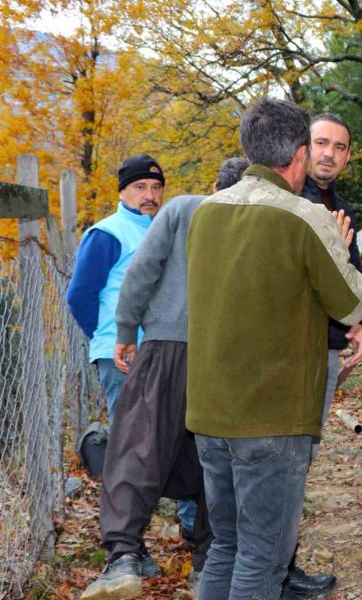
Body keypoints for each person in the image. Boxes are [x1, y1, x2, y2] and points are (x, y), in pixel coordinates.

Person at [187, 97, 362, 599]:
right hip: (270, 415)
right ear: (298, 156)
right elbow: (352, 302)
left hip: (208, 411)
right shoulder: (305, 215)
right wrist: (338, 241)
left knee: (225, 544)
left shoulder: (206, 212)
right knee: (262, 558)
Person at [79, 157, 248, 600]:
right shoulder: (260, 220)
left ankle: (124, 559)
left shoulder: (182, 209)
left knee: (137, 447)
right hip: (226, 356)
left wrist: (124, 330)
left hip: (167, 345)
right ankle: (209, 566)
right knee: (218, 458)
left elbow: (142, 272)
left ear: (215, 185)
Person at [279, 113, 362, 599]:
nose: (329, 154)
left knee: (302, 456)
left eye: (339, 146)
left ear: (348, 156)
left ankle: (281, 563)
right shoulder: (290, 203)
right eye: (321, 143)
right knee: (287, 456)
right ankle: (274, 569)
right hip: (293, 351)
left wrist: (361, 326)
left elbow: (350, 275)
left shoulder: (344, 207)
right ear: (303, 147)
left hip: (326, 350)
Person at [67, 154, 165, 426]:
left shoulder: (161, 231)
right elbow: (79, 295)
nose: (150, 195)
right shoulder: (108, 234)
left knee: (157, 440)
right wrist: (107, 335)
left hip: (158, 349)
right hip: (121, 355)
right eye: (140, 187)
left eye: (156, 188)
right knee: (131, 439)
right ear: (122, 191)